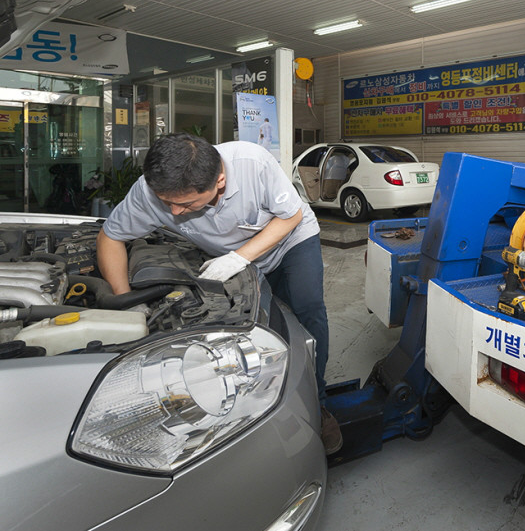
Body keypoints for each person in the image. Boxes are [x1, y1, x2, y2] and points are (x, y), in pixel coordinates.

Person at [96, 133, 342, 454]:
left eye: (185, 204)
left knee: (307, 309)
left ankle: (319, 402)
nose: (174, 212)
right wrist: (124, 300)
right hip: (232, 257)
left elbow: (291, 215)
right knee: (259, 329)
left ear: (220, 181)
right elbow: (110, 237)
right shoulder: (150, 192)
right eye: (166, 202)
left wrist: (239, 258)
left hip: (290, 241)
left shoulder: (252, 163)